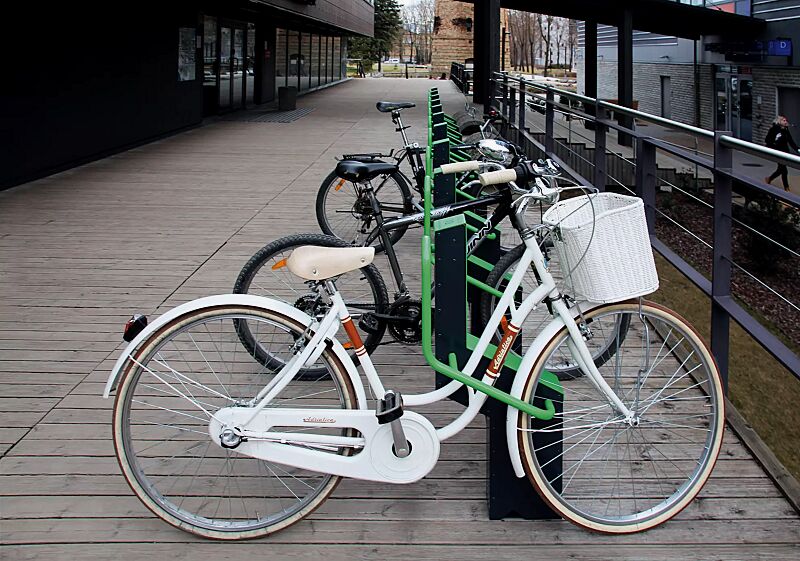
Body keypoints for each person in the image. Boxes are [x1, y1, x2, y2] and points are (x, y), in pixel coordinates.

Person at [764, 115, 798, 191]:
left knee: (780, 169)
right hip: (777, 152)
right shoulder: (774, 129)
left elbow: (790, 141)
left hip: (785, 152)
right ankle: (786, 188)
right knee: (784, 170)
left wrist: (798, 149)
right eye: (784, 120)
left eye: (786, 120)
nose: (786, 122)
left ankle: (769, 178)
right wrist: (774, 144)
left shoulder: (785, 129)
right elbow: (767, 140)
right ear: (779, 121)